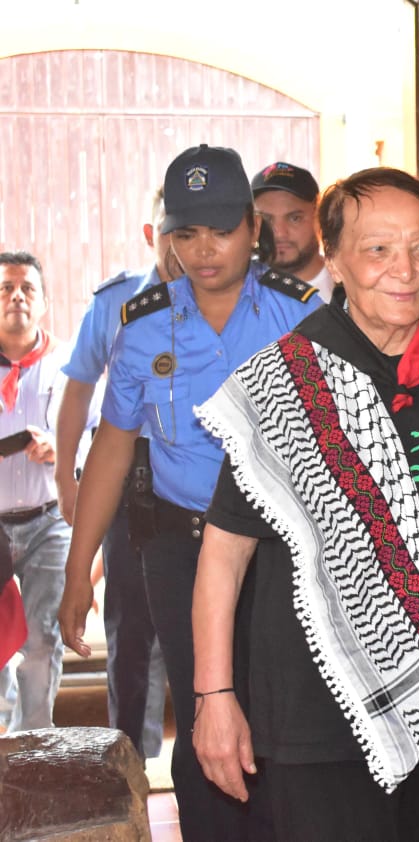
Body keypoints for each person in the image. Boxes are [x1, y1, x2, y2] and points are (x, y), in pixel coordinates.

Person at [189, 167, 419, 841]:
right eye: (378, 249)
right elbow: (223, 553)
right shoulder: (284, 386)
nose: (406, 270)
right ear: (335, 258)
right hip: (322, 721)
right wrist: (214, 697)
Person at [58, 144, 321, 842]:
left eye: (220, 229)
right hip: (179, 548)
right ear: (167, 236)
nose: (204, 250)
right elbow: (112, 447)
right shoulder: (143, 327)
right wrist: (79, 566)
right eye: (185, 232)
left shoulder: (300, 316)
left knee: (277, 713)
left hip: (278, 549)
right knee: (205, 705)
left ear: (251, 228)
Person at [54, 186, 173, 758]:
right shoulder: (117, 302)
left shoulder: (240, 301)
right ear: (152, 235)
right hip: (132, 477)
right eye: (173, 231)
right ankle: (134, 767)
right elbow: (78, 391)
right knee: (131, 634)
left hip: (211, 479)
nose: (188, 246)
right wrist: (65, 478)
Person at [0, 251, 98, 732]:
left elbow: (102, 437)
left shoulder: (68, 366)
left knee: (42, 637)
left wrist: (61, 451)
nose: (16, 297)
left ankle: (30, 744)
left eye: (27, 289)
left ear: (43, 303)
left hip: (49, 520)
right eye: (5, 288)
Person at [252, 161, 335, 302]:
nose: (279, 233)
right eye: (267, 220)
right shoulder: (237, 291)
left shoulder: (348, 290)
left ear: (318, 215)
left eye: (294, 218)